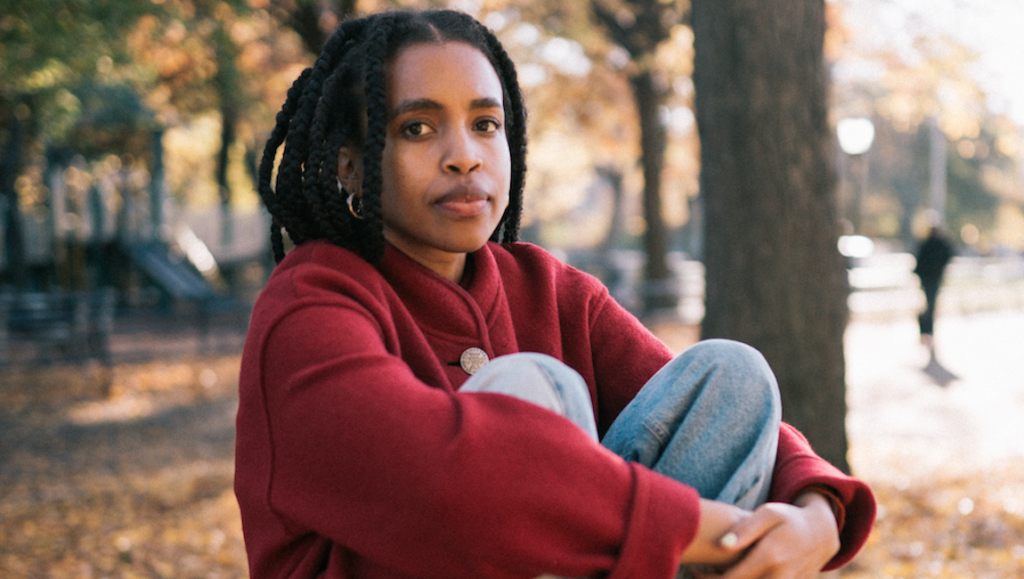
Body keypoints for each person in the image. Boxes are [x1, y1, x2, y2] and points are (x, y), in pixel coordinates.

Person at [234, 9, 875, 579]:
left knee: (733, 374)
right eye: (417, 129)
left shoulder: (546, 287)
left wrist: (815, 510)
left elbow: (706, 403)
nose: (465, 156)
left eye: (486, 123)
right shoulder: (310, 306)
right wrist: (721, 535)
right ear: (350, 162)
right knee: (530, 391)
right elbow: (450, 485)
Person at [914, 225, 955, 349]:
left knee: (930, 306)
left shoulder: (934, 244)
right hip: (930, 279)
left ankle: (927, 331)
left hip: (931, 278)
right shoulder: (929, 244)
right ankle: (927, 331)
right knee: (930, 306)